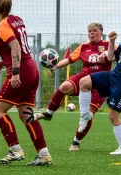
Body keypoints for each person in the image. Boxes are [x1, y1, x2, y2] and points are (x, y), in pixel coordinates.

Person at [0, 0, 52, 166]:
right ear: (10, 7)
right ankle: (43, 154)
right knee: (26, 115)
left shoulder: (2, 25)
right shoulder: (17, 20)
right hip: (31, 68)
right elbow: (21, 46)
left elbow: (15, 45)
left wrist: (15, 71)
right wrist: (6, 61)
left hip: (22, 71)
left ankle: (15, 150)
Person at [77, 17, 121, 155]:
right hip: (113, 76)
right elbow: (111, 57)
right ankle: (85, 115)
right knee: (84, 82)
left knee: (113, 115)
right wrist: (111, 42)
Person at [36, 22, 112, 151]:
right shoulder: (83, 47)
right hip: (84, 78)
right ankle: (48, 114)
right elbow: (69, 60)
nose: (92, 33)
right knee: (65, 86)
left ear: (101, 32)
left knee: (88, 115)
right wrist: (56, 66)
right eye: (89, 31)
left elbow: (117, 56)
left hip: (101, 83)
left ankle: (76, 142)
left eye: (94, 30)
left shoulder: (108, 45)